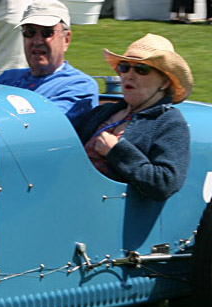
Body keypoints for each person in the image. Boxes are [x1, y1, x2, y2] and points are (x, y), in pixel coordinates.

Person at [71, 34, 192, 201]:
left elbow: (166, 182)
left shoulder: (169, 122)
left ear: (165, 82)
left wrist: (116, 151)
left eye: (141, 69)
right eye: (124, 67)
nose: (129, 75)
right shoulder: (104, 112)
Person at [0, 0, 98, 119]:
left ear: (66, 39)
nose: (37, 41)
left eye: (47, 33)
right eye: (30, 32)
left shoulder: (79, 85)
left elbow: (44, 124)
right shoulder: (7, 78)